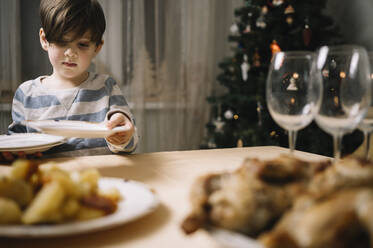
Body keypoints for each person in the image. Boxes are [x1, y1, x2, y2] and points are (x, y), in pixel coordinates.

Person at [2, 0, 138, 161]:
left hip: (99, 179)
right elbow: (14, 146)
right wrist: (11, 154)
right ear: (44, 39)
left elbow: (129, 143)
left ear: (98, 47)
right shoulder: (27, 94)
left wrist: (123, 136)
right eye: (61, 42)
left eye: (82, 44)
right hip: (49, 180)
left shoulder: (106, 87)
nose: (70, 53)